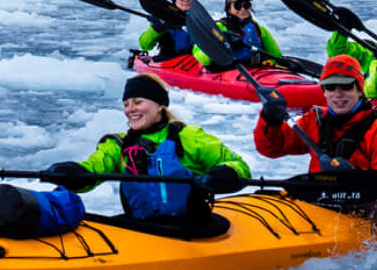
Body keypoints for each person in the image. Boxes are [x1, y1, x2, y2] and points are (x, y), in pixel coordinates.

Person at [43, 74, 252, 237]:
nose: (130, 109)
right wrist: (74, 173)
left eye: (138, 102)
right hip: (142, 229)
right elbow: (94, 169)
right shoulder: (119, 144)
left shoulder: (188, 137)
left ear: (160, 105)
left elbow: (238, 165)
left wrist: (223, 174)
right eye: (126, 104)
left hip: (193, 228)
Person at [254, 55, 377, 210]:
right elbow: (271, 148)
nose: (338, 93)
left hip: (364, 212)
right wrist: (270, 119)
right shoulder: (314, 120)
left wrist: (356, 178)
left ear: (360, 90)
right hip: (319, 207)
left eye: (346, 86)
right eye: (330, 87)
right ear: (324, 91)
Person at [194, 0, 286, 72]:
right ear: (228, 8)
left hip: (255, 71)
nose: (243, 9)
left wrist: (270, 62)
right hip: (228, 71)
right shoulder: (218, 27)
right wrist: (221, 41)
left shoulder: (258, 29)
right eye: (237, 6)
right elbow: (200, 57)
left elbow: (276, 55)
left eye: (246, 5)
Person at [132, 0, 202, 64]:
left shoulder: (199, 18)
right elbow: (145, 45)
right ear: (174, 0)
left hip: (194, 63)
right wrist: (157, 28)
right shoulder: (163, 18)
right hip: (168, 62)